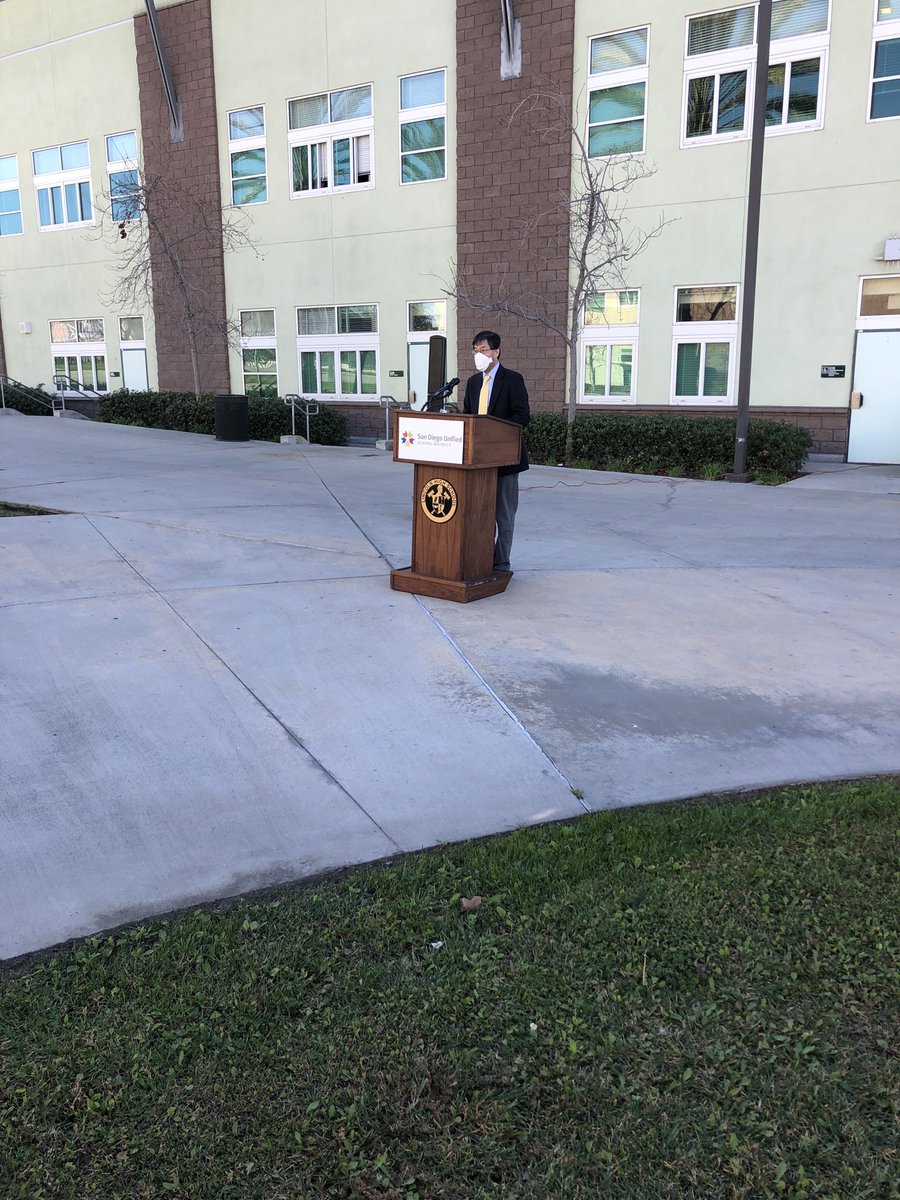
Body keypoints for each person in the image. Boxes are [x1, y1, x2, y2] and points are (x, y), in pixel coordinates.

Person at [462, 330, 530, 573]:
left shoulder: (512, 379)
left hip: (505, 461)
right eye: (475, 350)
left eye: (484, 350)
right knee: (481, 516)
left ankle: (501, 563)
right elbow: (468, 419)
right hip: (477, 463)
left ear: (496, 352)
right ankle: (481, 559)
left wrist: (495, 435)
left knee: (504, 517)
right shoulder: (472, 383)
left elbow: (522, 416)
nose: (479, 355)